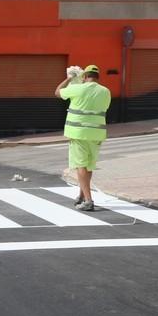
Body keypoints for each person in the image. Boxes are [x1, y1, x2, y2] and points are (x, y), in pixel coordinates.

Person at [55, 64, 112, 211]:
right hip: (97, 134)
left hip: (79, 133)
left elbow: (57, 92)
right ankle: (81, 195)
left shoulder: (77, 89)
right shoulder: (105, 91)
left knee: (81, 166)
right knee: (89, 165)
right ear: (97, 76)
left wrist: (69, 78)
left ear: (85, 76)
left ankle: (88, 200)